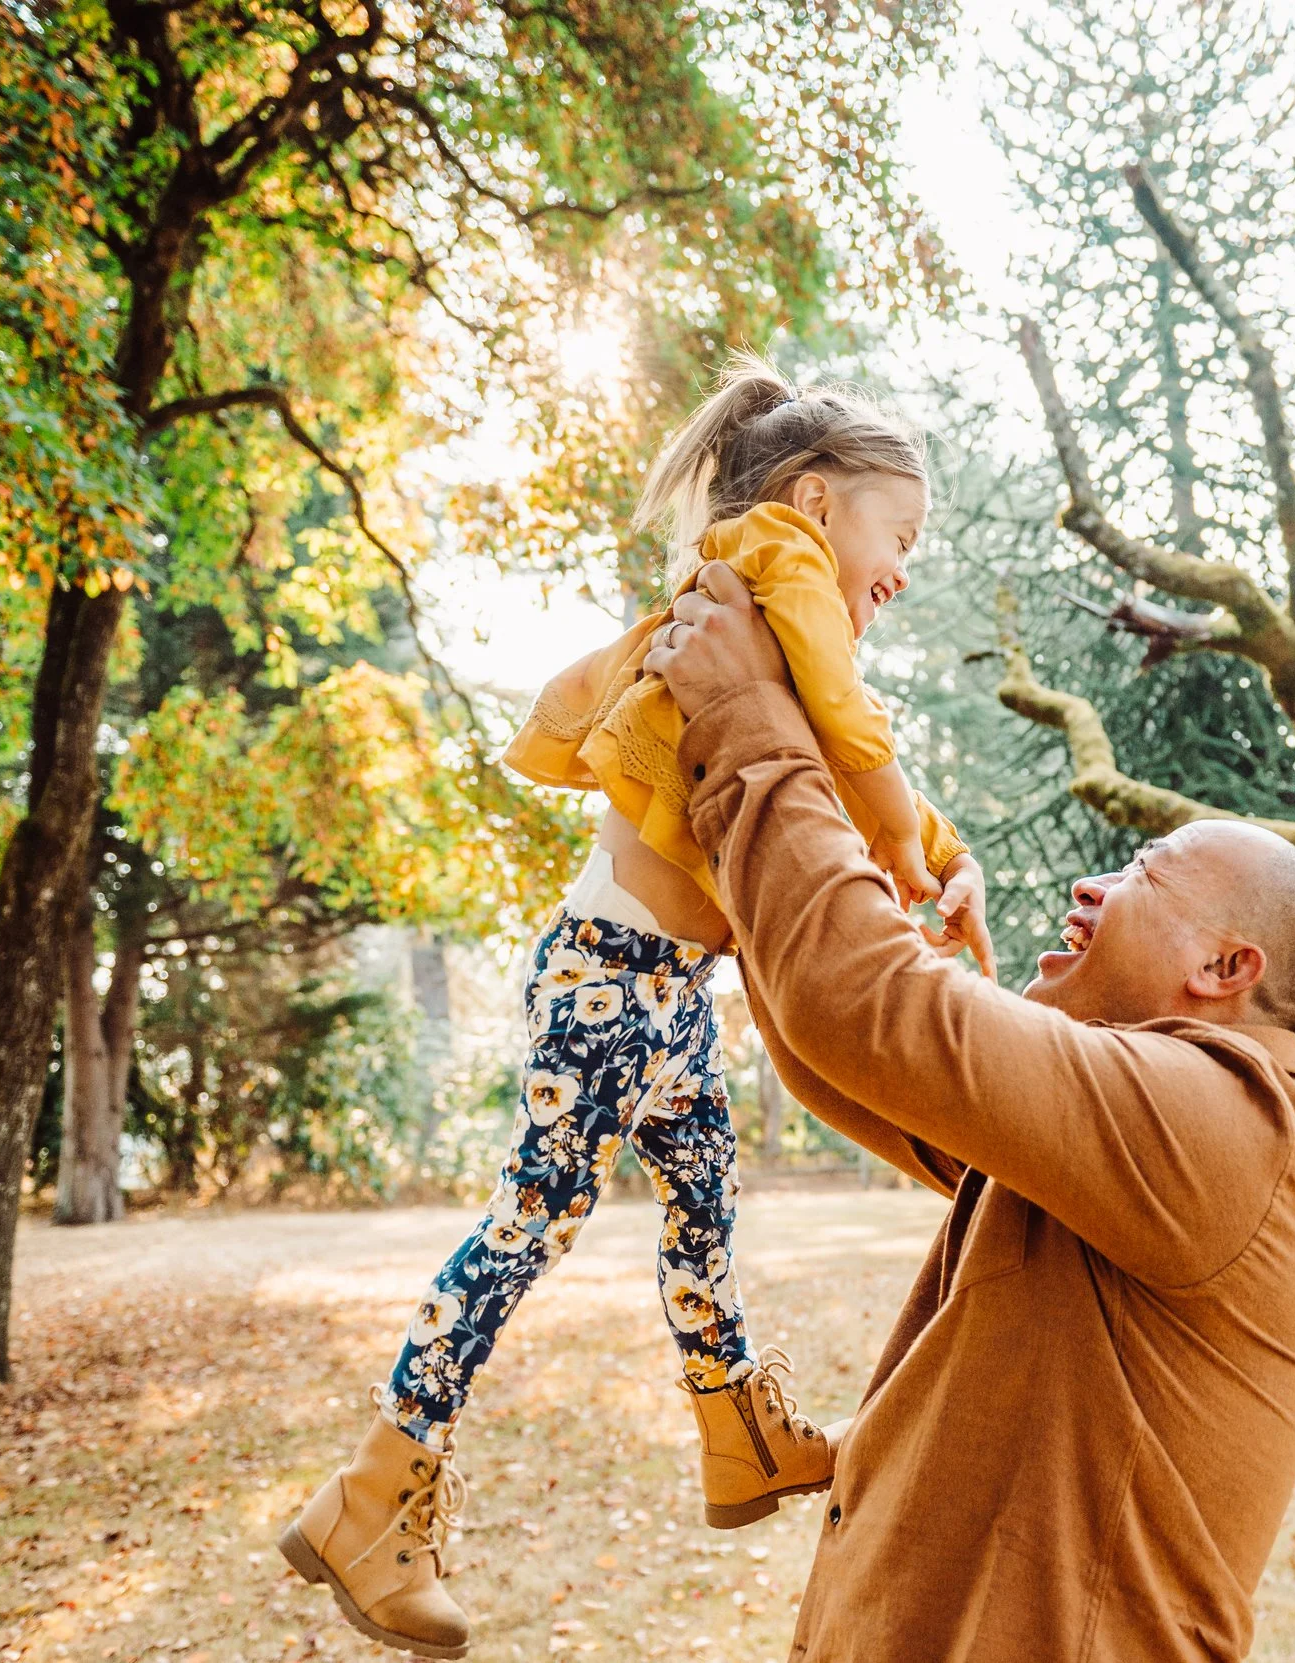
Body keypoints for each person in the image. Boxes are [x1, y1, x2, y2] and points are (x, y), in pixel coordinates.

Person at [277, 358, 992, 1662]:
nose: (903, 570)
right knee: (534, 1214)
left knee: (705, 1192)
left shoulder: (772, 612)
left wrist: (933, 850)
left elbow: (837, 745)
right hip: (611, 969)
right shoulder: (772, 558)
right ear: (822, 503)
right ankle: (373, 1492)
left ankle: (737, 1429)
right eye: (902, 537)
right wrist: (916, 841)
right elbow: (849, 722)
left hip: (661, 986)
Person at [644, 564, 1295, 1661]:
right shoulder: (1115, 1134)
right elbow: (841, 1057)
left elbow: (866, 1007)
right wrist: (826, 816)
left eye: (1141, 870)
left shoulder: (1225, 1120)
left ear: (1225, 963)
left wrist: (749, 719)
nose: (1090, 887)